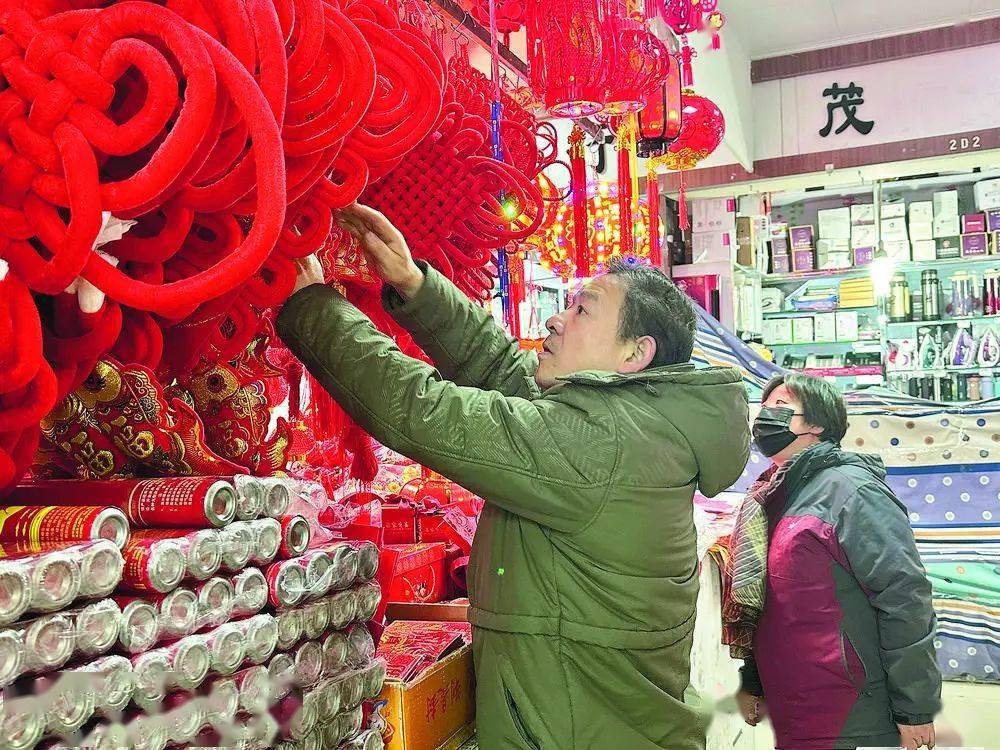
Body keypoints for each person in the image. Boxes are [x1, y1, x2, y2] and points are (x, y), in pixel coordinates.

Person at [278, 203, 751, 750]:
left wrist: (314, 308)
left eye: (583, 312)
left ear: (634, 354)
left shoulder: (604, 443)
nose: (557, 318)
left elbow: (421, 410)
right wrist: (415, 284)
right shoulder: (636, 422)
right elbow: (505, 371)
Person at [726, 373, 941, 750]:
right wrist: (753, 680)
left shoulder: (852, 491)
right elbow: (768, 604)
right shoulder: (772, 496)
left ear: (817, 424)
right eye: (762, 407)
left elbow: (905, 597)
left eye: (780, 406)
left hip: (851, 711)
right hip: (796, 706)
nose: (764, 417)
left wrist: (915, 708)